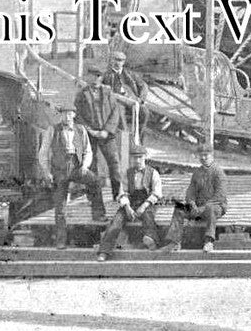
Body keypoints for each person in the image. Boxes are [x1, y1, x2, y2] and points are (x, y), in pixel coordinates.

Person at [39, 106, 105, 249]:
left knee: (95, 181)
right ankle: (61, 240)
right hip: (59, 170)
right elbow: (43, 152)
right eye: (64, 114)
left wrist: (85, 166)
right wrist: (46, 172)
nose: (67, 117)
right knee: (60, 207)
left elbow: (88, 151)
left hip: (76, 167)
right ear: (60, 115)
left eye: (69, 114)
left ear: (74, 115)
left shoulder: (81, 130)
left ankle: (98, 213)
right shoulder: (52, 130)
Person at [96, 145, 163, 261]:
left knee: (148, 217)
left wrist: (144, 205)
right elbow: (123, 192)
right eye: (134, 158)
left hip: (147, 202)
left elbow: (156, 193)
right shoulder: (127, 173)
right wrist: (127, 207)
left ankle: (151, 240)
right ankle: (104, 251)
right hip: (131, 202)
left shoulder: (153, 173)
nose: (137, 160)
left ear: (145, 157)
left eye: (140, 157)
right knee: (116, 221)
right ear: (131, 159)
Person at [164, 148, 227, 252]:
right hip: (197, 208)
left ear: (212, 156)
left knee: (211, 209)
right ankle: (175, 242)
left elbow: (219, 196)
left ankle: (208, 242)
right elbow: (190, 192)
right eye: (201, 155)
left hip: (216, 206)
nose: (203, 158)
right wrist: (192, 204)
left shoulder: (219, 173)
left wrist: (202, 208)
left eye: (206, 155)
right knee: (179, 208)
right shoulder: (197, 173)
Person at [74, 79, 124, 201]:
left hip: (106, 135)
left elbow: (115, 112)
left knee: (114, 163)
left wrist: (106, 130)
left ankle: (117, 194)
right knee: (91, 165)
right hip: (90, 134)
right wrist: (90, 130)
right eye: (92, 76)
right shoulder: (81, 94)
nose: (95, 79)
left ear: (101, 78)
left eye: (98, 76)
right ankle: (93, 197)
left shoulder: (108, 92)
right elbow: (78, 115)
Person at [100, 50, 149, 142]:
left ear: (124, 62)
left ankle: (139, 140)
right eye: (115, 59)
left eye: (120, 60)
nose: (117, 62)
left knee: (144, 112)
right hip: (117, 101)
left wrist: (141, 99)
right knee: (120, 113)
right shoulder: (106, 75)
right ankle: (126, 142)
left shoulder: (130, 74)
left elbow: (143, 85)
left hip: (132, 100)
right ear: (111, 61)